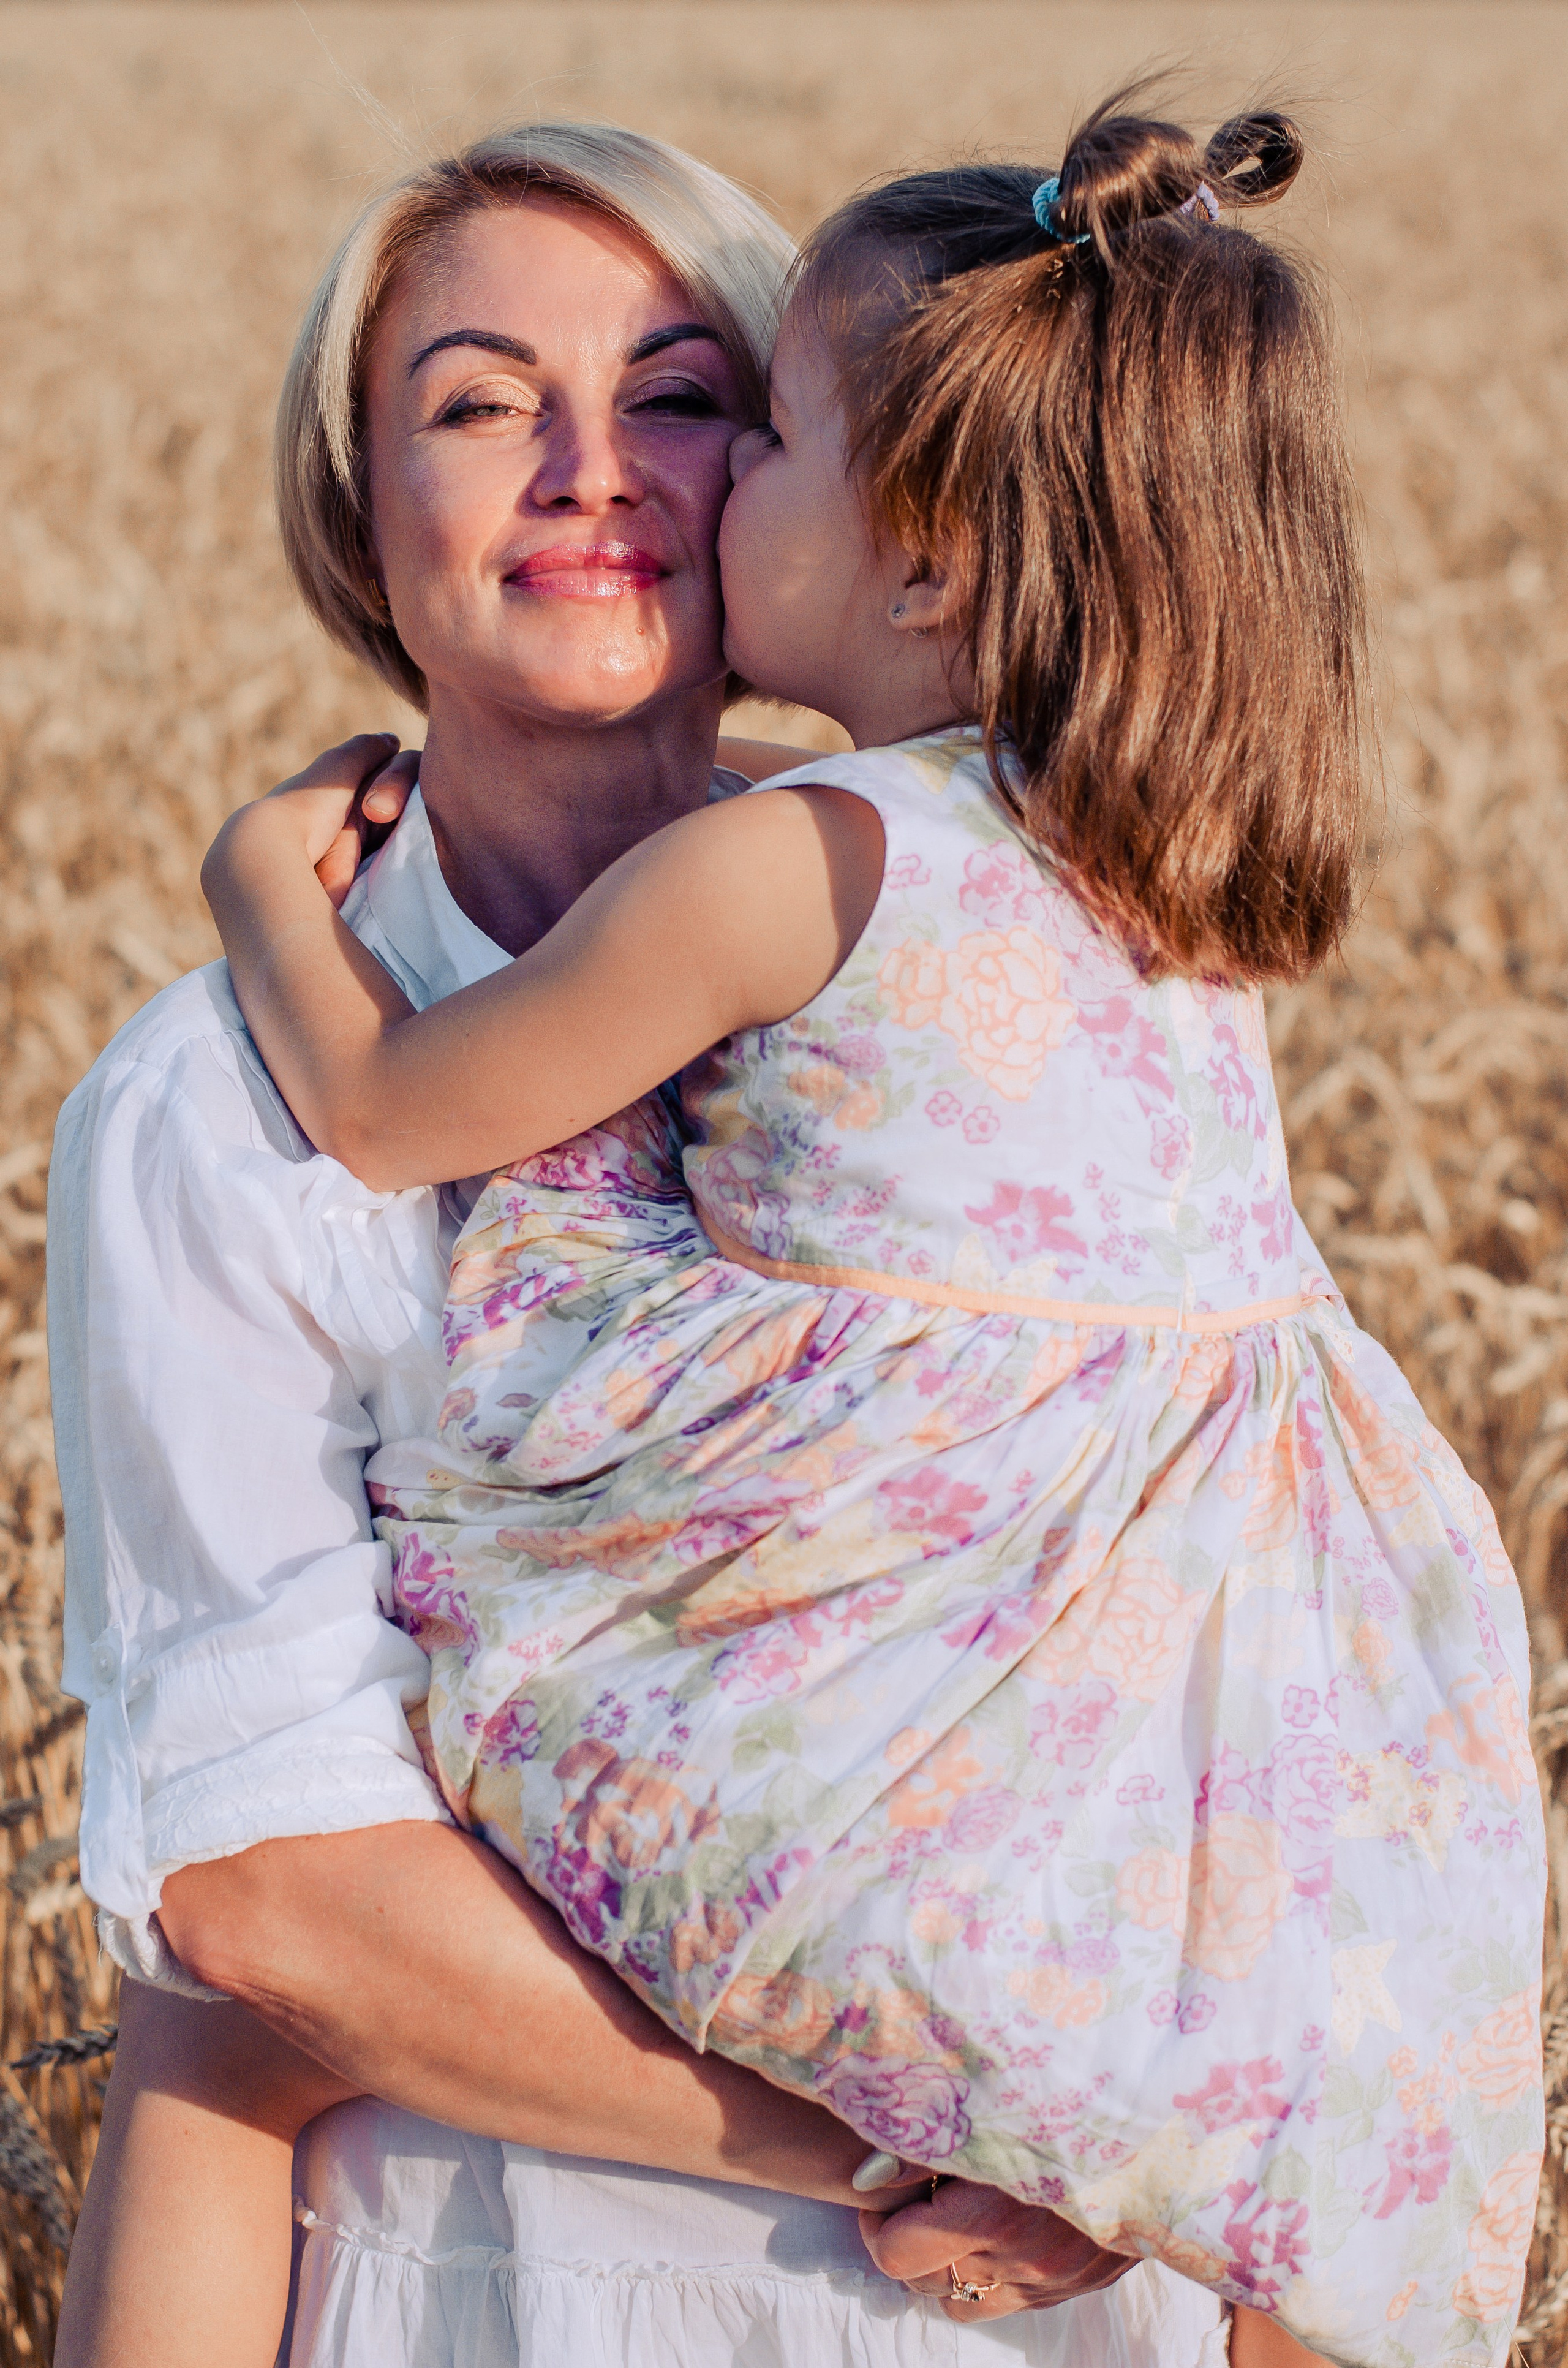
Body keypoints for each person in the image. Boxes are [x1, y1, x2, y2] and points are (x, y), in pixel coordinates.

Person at [194, 91, 1548, 2367]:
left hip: (907, 1627)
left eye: (773, 436)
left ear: (922, 562)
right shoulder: (1150, 865)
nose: (713, 482)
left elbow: (384, 1104)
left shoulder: (785, 866)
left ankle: (1010, 2133)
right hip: (1253, 1658)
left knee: (320, 1912)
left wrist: (257, 876)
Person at [51, 118, 1212, 2368]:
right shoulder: (211, 1113)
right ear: (359, 515)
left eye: (681, 395)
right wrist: (956, 2130)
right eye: (482, 404)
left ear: (837, 485)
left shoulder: (1049, 986)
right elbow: (274, 1892)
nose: (590, 469)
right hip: (528, 2295)